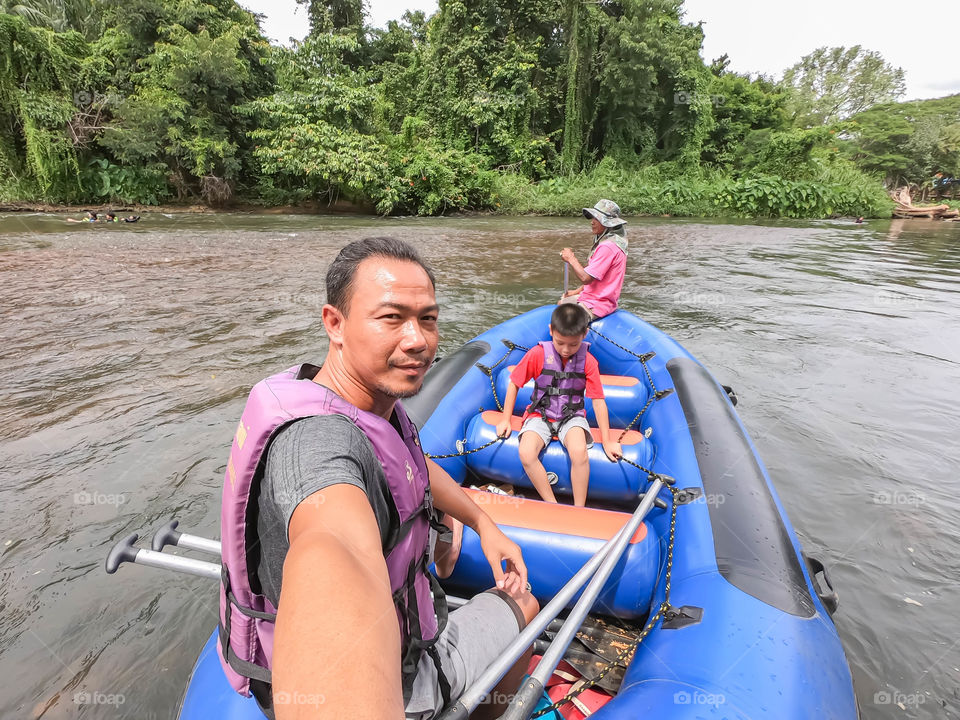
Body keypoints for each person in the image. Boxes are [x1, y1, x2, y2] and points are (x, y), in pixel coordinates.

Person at [217, 237, 539, 720]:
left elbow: (409, 465)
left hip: (403, 624)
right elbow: (333, 544)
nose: (418, 339)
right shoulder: (318, 453)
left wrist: (479, 520)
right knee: (524, 605)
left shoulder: (357, 403)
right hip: (405, 681)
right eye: (391, 318)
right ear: (335, 324)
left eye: (427, 318)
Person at [495, 304, 622, 506]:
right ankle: (551, 504)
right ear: (551, 331)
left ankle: (579, 508)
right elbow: (514, 383)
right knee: (526, 453)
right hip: (540, 415)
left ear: (585, 334)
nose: (565, 350)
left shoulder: (588, 362)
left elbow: (598, 402)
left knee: (579, 452)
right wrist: (505, 419)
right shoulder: (537, 354)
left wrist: (607, 441)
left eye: (573, 345)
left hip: (571, 417)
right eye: (560, 342)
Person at [559, 199, 628, 320]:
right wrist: (576, 291)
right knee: (562, 302)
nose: (592, 222)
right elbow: (596, 277)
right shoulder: (608, 241)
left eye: (597, 219)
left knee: (568, 318)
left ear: (608, 223)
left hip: (599, 303)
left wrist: (571, 258)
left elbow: (586, 278)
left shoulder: (608, 246)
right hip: (592, 297)